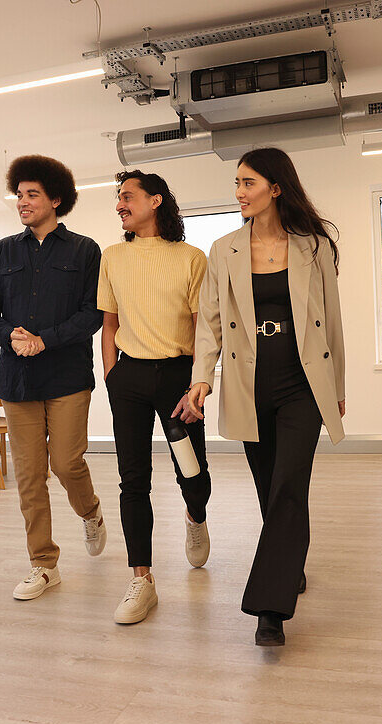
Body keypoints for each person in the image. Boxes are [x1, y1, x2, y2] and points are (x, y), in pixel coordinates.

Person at [184, 147, 346, 646]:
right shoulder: (224, 249)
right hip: (250, 386)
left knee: (289, 482)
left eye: (248, 183)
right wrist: (201, 379)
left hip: (303, 385)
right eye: (237, 184)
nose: (239, 193)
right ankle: (289, 561)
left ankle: (269, 609)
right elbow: (210, 322)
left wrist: (336, 387)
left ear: (276, 188)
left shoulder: (313, 247)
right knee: (270, 487)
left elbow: (332, 321)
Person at [0, 155, 107, 601]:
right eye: (19, 195)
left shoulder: (85, 251)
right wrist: (9, 335)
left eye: (32, 195)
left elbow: (93, 313)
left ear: (55, 199)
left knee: (66, 463)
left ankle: (89, 510)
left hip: (67, 376)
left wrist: (45, 340)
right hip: (17, 380)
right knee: (30, 476)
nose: (22, 202)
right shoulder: (1, 253)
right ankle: (43, 564)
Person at [99, 169, 212, 625]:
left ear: (156, 201)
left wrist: (198, 384)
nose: (120, 204)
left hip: (177, 378)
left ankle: (195, 515)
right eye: (118, 198)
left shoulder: (191, 258)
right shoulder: (112, 257)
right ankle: (141, 579)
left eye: (128, 197)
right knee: (132, 480)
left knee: (194, 474)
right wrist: (111, 378)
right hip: (128, 377)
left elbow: (205, 330)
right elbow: (108, 325)